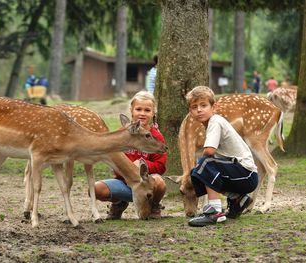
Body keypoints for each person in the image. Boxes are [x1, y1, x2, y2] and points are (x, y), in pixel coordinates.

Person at [185, 86, 259, 227]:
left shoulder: (215, 121)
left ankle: (215, 212)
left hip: (247, 174)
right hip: (243, 175)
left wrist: (201, 163)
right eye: (194, 107)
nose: (199, 110)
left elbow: (209, 151)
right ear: (190, 111)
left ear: (214, 107)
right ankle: (237, 198)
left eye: (203, 105)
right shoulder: (211, 123)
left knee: (205, 164)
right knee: (197, 172)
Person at [94, 90, 167, 219]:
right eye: (138, 109)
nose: (142, 114)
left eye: (147, 110)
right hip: (124, 183)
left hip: (146, 185)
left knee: (160, 183)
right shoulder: (121, 134)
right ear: (132, 110)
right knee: (95, 189)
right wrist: (129, 169)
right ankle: (119, 203)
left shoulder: (156, 137)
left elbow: (161, 166)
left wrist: (142, 165)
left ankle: (154, 204)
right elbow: (114, 163)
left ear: (153, 113)